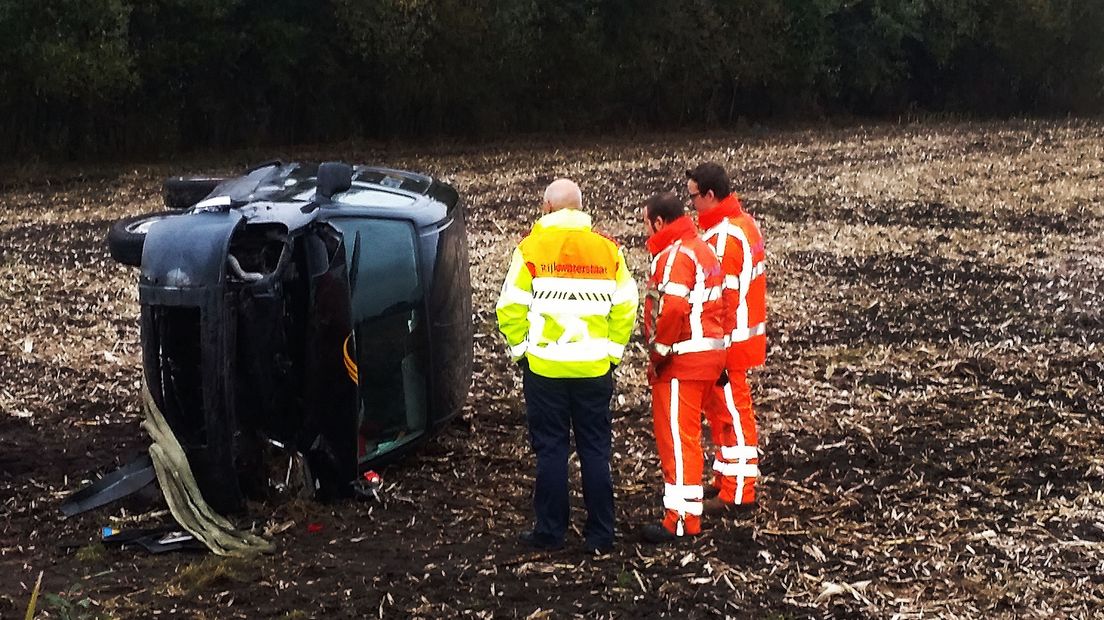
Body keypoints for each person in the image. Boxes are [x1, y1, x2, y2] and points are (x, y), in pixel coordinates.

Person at [495, 178, 638, 553]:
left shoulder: (530, 249)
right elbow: (626, 306)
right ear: (580, 207)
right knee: (595, 450)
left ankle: (551, 531)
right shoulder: (609, 251)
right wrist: (611, 351)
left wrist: (521, 350)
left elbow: (509, 307)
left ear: (546, 207)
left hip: (545, 369)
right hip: (593, 368)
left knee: (551, 450)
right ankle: (601, 534)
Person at [639, 191, 727, 543]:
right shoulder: (702, 249)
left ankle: (680, 519)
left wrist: (658, 353)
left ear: (659, 222)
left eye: (646, 223)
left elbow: (672, 309)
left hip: (683, 361)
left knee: (677, 439)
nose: (645, 231)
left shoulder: (674, 255)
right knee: (688, 438)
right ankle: (688, 511)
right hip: (707, 356)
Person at [686, 163, 767, 515]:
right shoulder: (742, 225)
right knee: (725, 412)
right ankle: (726, 477)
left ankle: (739, 492)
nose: (691, 206)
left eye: (693, 197)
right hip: (737, 340)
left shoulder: (725, 237)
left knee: (733, 413)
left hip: (728, 344)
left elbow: (724, 300)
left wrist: (715, 346)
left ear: (709, 195)